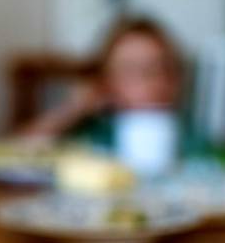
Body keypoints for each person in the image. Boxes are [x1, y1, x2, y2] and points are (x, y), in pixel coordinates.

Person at [19, 17, 185, 148]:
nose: (151, 82)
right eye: (133, 69)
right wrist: (74, 108)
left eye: (161, 67)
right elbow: (20, 150)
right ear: (106, 81)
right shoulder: (93, 133)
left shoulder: (186, 137)